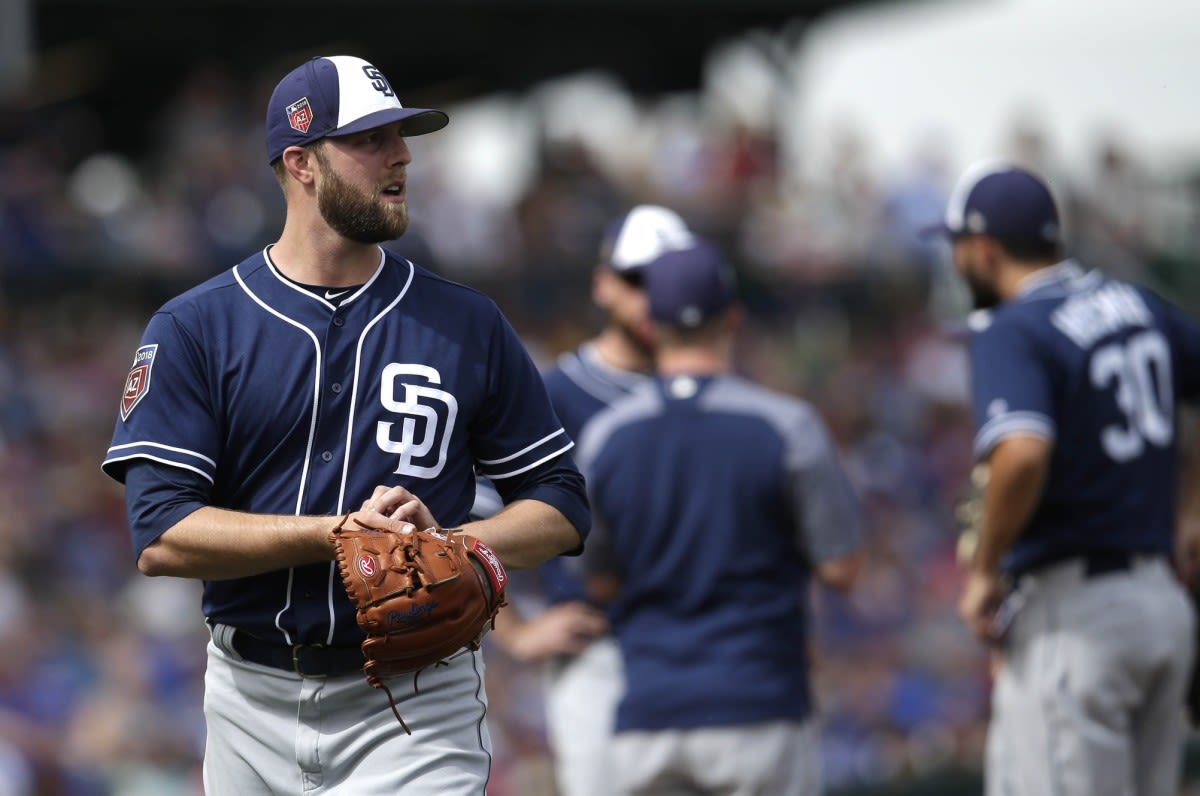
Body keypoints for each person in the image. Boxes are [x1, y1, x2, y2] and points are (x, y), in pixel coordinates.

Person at [100, 54, 590, 794]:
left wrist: (447, 547)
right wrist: (338, 535)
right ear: (301, 162)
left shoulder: (467, 323)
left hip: (418, 699)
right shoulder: (198, 326)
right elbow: (161, 536)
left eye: (400, 136)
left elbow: (561, 503)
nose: (401, 155)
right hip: (248, 696)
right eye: (369, 140)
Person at [931, 160, 1200, 796]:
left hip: (1076, 617)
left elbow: (1021, 453)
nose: (956, 262)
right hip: (1161, 605)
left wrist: (983, 571)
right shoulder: (1131, 299)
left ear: (983, 248)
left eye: (956, 248)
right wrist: (1192, 510)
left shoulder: (1013, 328)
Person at [575, 239, 865, 796]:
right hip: (758, 704)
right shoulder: (786, 425)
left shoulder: (607, 437)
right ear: (732, 318)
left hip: (649, 711)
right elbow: (843, 569)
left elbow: (600, 579)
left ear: (652, 326)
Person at [481, 204, 697, 796]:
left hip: (705, 653)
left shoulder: (711, 391)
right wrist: (517, 630)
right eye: (638, 280)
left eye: (669, 281)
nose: (654, 297)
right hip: (602, 652)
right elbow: (466, 526)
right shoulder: (550, 392)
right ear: (604, 283)